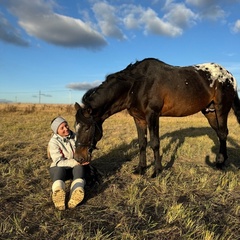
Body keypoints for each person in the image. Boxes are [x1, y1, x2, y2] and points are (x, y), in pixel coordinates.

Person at [48, 116, 87, 210]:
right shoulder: (53, 142)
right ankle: (58, 192)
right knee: (58, 170)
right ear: (56, 131)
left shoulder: (75, 136)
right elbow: (58, 161)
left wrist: (85, 159)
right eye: (62, 128)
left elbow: (83, 149)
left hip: (75, 167)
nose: (66, 129)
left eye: (66, 125)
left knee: (79, 168)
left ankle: (76, 192)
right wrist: (75, 162)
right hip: (61, 166)